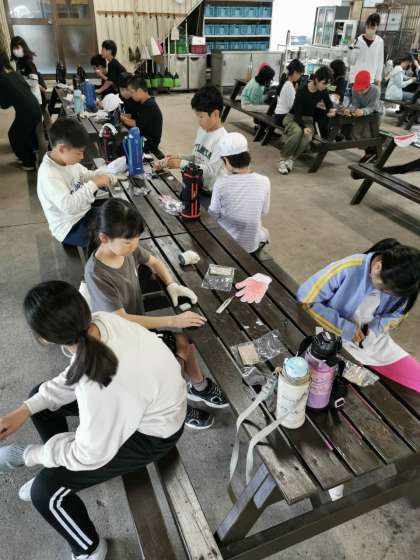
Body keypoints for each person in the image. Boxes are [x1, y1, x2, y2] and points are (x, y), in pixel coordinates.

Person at [0, 280, 188, 559]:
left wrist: (27, 455)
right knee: (40, 401)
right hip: (150, 404)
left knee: (46, 493)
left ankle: (89, 549)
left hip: (155, 434)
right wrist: (25, 409)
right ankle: (61, 468)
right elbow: (75, 374)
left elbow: (90, 453)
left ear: (45, 339)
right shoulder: (102, 322)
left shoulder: (98, 386)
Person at [84, 198, 228, 429]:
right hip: (120, 338)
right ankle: (175, 406)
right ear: (104, 238)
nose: (134, 246)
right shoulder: (97, 273)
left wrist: (171, 284)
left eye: (137, 240)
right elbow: (119, 319)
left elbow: (154, 261)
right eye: (128, 242)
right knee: (171, 363)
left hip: (137, 327)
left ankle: (198, 386)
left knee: (185, 339)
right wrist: (173, 319)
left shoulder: (126, 250)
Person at [297, 239, 420, 393]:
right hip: (330, 336)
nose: (387, 295)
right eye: (385, 290)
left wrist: (373, 329)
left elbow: (397, 315)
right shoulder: (350, 268)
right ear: (377, 267)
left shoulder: (404, 284)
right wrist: (345, 329)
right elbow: (306, 300)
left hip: (372, 341)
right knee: (354, 391)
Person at [37, 118, 116, 247]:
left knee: (118, 215)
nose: (82, 157)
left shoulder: (67, 161)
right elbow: (69, 207)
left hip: (85, 214)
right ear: (62, 149)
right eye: (79, 153)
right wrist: (94, 184)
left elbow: (85, 175)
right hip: (70, 228)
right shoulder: (49, 175)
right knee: (114, 238)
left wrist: (105, 175)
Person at [154, 85, 227, 194]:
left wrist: (180, 163)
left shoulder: (223, 140)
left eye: (201, 117)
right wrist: (179, 157)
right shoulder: (202, 130)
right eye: (197, 116)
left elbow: (211, 171)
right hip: (197, 184)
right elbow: (196, 158)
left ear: (215, 114)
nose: (199, 121)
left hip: (213, 193)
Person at [209, 132, 270, 254]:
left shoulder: (221, 184)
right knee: (264, 232)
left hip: (227, 243)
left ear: (226, 160)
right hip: (251, 245)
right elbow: (264, 211)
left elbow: (213, 214)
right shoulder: (264, 181)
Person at [277, 66, 335, 175]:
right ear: (316, 79)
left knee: (307, 137)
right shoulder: (302, 90)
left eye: (327, 84)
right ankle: (282, 159)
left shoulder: (323, 90)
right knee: (298, 132)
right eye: (324, 83)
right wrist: (304, 128)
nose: (325, 86)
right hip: (293, 118)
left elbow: (329, 104)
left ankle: (291, 159)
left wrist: (331, 110)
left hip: (308, 120)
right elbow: (297, 115)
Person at [0, 50, 42, 171]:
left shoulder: (2, 79)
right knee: (26, 132)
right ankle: (31, 153)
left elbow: (4, 105)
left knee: (14, 134)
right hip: (35, 108)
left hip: (26, 112)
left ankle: (28, 161)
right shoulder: (15, 74)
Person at [344, 70, 382, 163]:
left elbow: (373, 107)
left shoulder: (375, 90)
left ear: (368, 86)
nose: (359, 92)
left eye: (362, 90)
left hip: (374, 113)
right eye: (358, 89)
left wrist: (363, 111)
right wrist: (350, 109)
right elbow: (355, 103)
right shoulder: (354, 89)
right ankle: (371, 153)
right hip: (360, 113)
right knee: (355, 133)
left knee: (369, 133)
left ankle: (372, 154)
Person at [125, 77, 163, 155]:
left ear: (139, 91)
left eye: (132, 92)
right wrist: (125, 116)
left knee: (122, 148)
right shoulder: (142, 102)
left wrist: (122, 119)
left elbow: (136, 124)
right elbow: (134, 116)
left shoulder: (149, 106)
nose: (131, 95)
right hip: (142, 137)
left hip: (148, 144)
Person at [348, 13, 385, 86]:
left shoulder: (379, 42)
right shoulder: (357, 40)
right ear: (365, 26)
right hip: (356, 78)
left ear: (377, 27)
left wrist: (378, 79)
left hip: (370, 79)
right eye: (368, 27)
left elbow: (380, 61)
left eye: (372, 27)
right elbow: (351, 61)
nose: (370, 29)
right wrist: (350, 49)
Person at [10, 35, 46, 108]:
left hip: (35, 100)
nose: (15, 51)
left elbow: (33, 82)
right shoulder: (19, 63)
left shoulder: (28, 63)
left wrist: (19, 81)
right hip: (28, 98)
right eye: (13, 48)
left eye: (17, 48)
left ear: (23, 47)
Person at [274, 59, 305, 127]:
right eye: (300, 74)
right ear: (295, 72)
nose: (300, 77)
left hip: (278, 115)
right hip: (282, 117)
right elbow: (292, 106)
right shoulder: (289, 85)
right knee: (303, 123)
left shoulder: (285, 82)